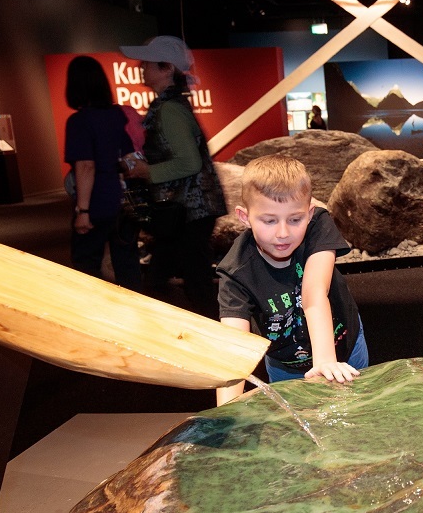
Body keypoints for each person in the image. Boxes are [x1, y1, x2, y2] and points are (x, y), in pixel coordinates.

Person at [214, 155, 368, 405]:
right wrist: (224, 415)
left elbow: (314, 295)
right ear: (245, 217)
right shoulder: (235, 272)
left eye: (295, 220)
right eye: (269, 220)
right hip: (285, 365)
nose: (283, 233)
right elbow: (233, 350)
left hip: (344, 347)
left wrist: (326, 363)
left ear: (308, 214)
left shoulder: (318, 224)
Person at [119, 35, 227, 315]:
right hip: (189, 211)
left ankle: (224, 340)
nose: (142, 67)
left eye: (148, 63)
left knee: (189, 282)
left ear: (166, 68)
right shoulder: (172, 106)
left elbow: (189, 162)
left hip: (188, 211)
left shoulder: (168, 110)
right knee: (183, 280)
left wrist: (147, 171)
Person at [62, 55, 143, 292]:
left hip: (97, 203)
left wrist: (83, 211)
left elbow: (86, 166)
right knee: (127, 265)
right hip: (122, 203)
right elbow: (128, 158)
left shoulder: (79, 121)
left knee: (86, 265)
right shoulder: (116, 116)